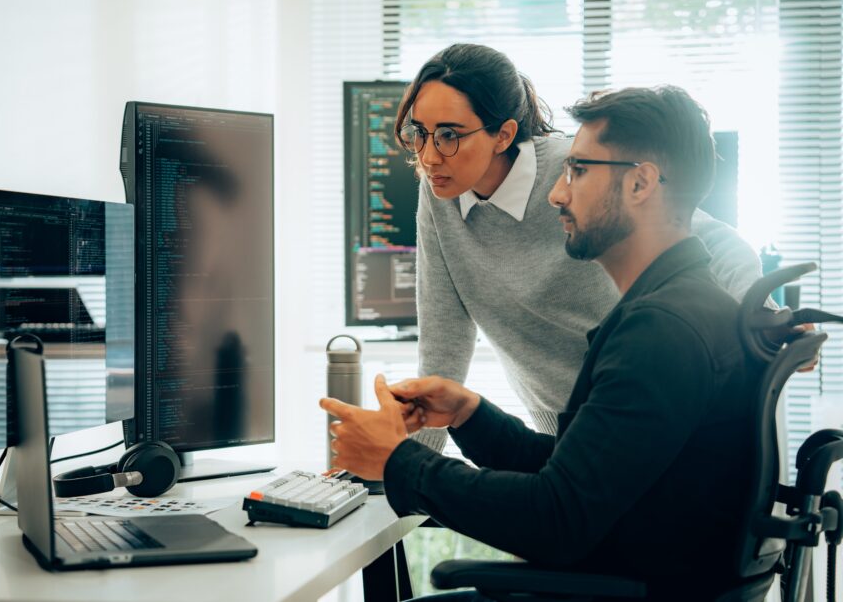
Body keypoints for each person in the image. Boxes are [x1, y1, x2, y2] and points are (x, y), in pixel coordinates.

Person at [321, 86, 754, 599]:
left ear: (641, 183)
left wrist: (396, 461)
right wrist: (470, 416)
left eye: (578, 171)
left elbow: (555, 517)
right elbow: (575, 474)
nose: (556, 194)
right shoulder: (679, 308)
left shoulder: (661, 331)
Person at [401, 43, 761, 439]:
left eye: (449, 135)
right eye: (419, 132)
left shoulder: (574, 171)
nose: (429, 156)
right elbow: (443, 341)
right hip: (560, 427)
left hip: (644, 410)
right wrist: (405, 473)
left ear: (503, 135)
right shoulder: (440, 193)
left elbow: (709, 239)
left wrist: (758, 316)